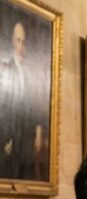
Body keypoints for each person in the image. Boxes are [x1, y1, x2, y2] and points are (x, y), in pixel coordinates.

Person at [0, 21, 45, 180]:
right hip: (11, 137)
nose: (20, 46)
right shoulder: (6, 69)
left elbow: (34, 105)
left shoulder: (29, 72)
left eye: (23, 42)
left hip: (27, 137)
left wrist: (38, 131)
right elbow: (4, 108)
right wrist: (7, 138)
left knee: (27, 174)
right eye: (18, 41)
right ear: (13, 41)